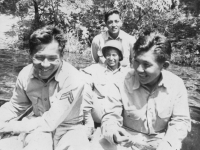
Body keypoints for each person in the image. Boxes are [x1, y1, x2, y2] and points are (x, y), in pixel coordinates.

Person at [91, 32, 191, 150]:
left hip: (161, 142)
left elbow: (180, 121)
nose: (138, 69)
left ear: (164, 66)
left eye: (146, 64)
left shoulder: (176, 84)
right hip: (125, 140)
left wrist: (167, 144)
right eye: (136, 61)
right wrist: (113, 133)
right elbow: (110, 116)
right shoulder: (120, 81)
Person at [0, 25, 90, 150]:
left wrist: (9, 127)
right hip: (37, 129)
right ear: (30, 54)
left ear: (62, 56)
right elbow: (15, 106)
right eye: (39, 57)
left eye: (52, 58)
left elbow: (49, 122)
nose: (45, 64)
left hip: (69, 128)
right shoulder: (25, 74)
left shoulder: (74, 78)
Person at [82, 40, 130, 138]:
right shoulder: (96, 69)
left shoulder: (127, 73)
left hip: (115, 118)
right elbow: (79, 76)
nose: (111, 58)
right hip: (96, 115)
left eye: (114, 55)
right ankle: (89, 124)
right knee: (84, 85)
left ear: (120, 56)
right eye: (108, 55)